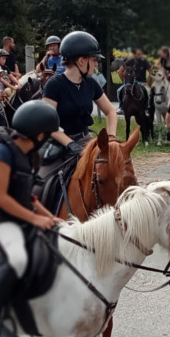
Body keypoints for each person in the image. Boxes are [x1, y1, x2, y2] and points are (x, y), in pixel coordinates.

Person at [0, 100, 65, 337]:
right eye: (49, 136)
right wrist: (34, 219)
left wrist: (49, 216)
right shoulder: (2, 153)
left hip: (11, 214)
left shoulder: (26, 155)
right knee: (18, 259)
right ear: (40, 134)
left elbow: (27, 196)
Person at [41, 31, 118, 211]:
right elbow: (48, 122)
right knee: (42, 181)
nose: (96, 63)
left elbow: (111, 111)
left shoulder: (91, 84)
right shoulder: (54, 85)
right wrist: (70, 144)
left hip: (85, 141)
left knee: (113, 172)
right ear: (81, 61)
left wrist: (112, 138)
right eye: (94, 59)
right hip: (59, 144)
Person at [116, 47, 152, 111]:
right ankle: (121, 106)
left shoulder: (144, 61)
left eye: (141, 54)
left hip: (141, 82)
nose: (140, 56)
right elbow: (120, 71)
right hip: (131, 82)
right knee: (119, 91)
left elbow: (151, 72)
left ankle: (147, 107)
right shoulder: (130, 61)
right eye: (138, 54)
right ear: (134, 54)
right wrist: (124, 80)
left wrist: (148, 82)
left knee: (148, 91)